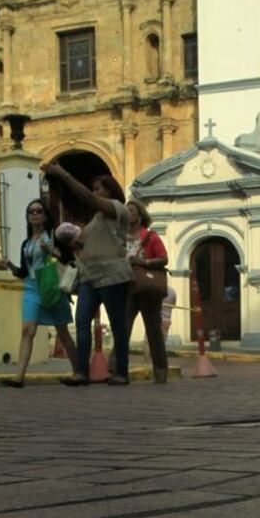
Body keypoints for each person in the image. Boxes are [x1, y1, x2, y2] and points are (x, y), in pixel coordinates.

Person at [40, 164, 133, 386]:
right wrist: (64, 240)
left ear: (110, 191)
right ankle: (81, 372)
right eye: (94, 188)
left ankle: (121, 371)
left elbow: (88, 200)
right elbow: (80, 244)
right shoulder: (97, 220)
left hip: (112, 275)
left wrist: (64, 174)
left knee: (118, 325)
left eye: (98, 188)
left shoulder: (117, 209)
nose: (94, 192)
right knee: (82, 321)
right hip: (89, 276)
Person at [0, 198, 77, 388]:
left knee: (62, 332)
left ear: (45, 216)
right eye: (31, 212)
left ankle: (79, 371)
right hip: (32, 288)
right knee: (27, 331)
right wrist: (9, 265)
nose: (35, 214)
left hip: (51, 286)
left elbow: (69, 259)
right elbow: (24, 272)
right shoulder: (26, 243)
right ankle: (19, 377)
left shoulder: (52, 237)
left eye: (39, 211)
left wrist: (52, 251)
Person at [124, 198, 169, 384]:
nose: (128, 214)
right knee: (123, 328)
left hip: (147, 287)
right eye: (126, 211)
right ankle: (118, 369)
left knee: (153, 330)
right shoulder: (120, 237)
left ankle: (160, 370)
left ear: (140, 215)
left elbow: (164, 259)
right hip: (126, 286)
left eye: (132, 211)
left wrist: (145, 262)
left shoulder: (150, 236)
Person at [144, 285, 176, 362]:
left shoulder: (155, 290)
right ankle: (160, 363)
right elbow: (173, 306)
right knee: (162, 342)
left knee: (148, 341)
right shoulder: (172, 292)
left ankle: (147, 362)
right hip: (166, 320)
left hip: (154, 319)